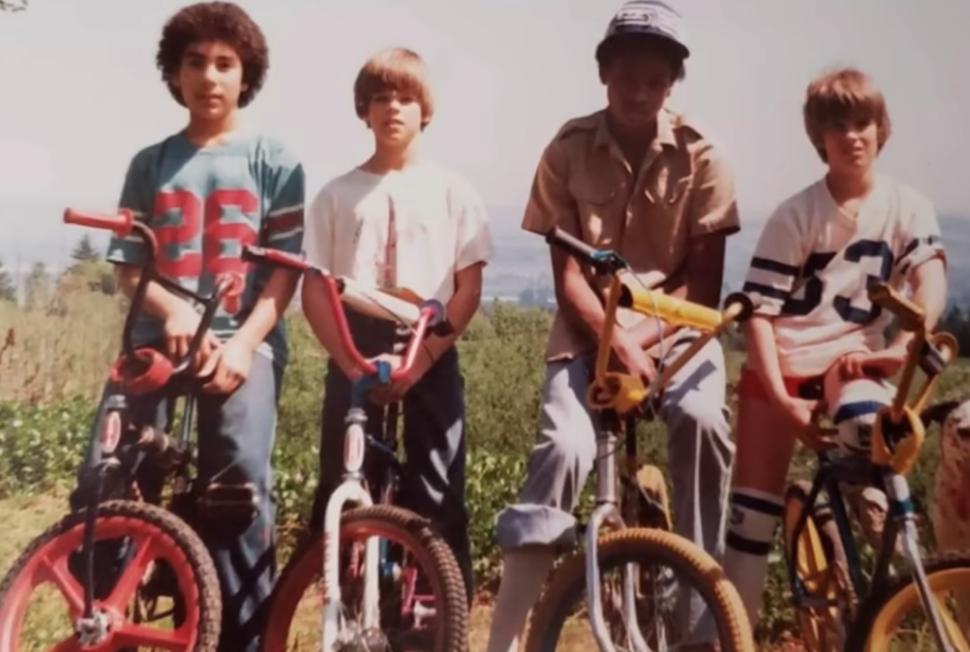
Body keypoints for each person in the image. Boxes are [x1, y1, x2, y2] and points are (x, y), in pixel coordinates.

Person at [487, 1, 741, 649]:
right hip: (587, 330)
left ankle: (701, 631)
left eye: (654, 79)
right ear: (603, 74)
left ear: (672, 84)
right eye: (626, 75)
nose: (638, 91)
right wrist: (615, 337)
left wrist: (644, 339)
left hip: (679, 331)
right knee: (563, 450)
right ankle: (505, 637)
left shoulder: (702, 158)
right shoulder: (566, 149)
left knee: (704, 422)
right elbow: (567, 276)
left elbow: (703, 285)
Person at [95, 2, 305, 648]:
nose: (209, 77)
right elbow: (131, 271)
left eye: (225, 64)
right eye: (195, 62)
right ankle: (105, 619)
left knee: (236, 485)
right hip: (153, 344)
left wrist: (244, 343)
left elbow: (285, 275)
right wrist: (175, 309)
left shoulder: (276, 160)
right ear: (174, 73)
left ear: (247, 75)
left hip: (243, 348)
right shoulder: (149, 163)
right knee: (105, 472)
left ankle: (240, 635)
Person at [723, 67, 948, 626]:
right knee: (752, 521)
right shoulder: (795, 215)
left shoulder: (908, 206)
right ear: (818, 138)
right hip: (784, 364)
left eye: (863, 122)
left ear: (882, 129)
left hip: (852, 364)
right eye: (838, 125)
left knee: (876, 454)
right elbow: (758, 316)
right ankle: (733, 635)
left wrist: (911, 335)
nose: (852, 135)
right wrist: (780, 400)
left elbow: (931, 277)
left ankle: (892, 606)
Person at [301, 47, 492, 601]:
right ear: (364, 109)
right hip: (354, 344)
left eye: (406, 98)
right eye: (381, 97)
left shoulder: (454, 191)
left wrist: (427, 359)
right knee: (345, 477)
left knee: (437, 481)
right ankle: (346, 609)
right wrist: (346, 361)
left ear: (425, 109)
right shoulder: (337, 194)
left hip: (427, 343)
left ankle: (438, 611)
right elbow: (315, 286)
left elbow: (468, 288)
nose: (393, 109)